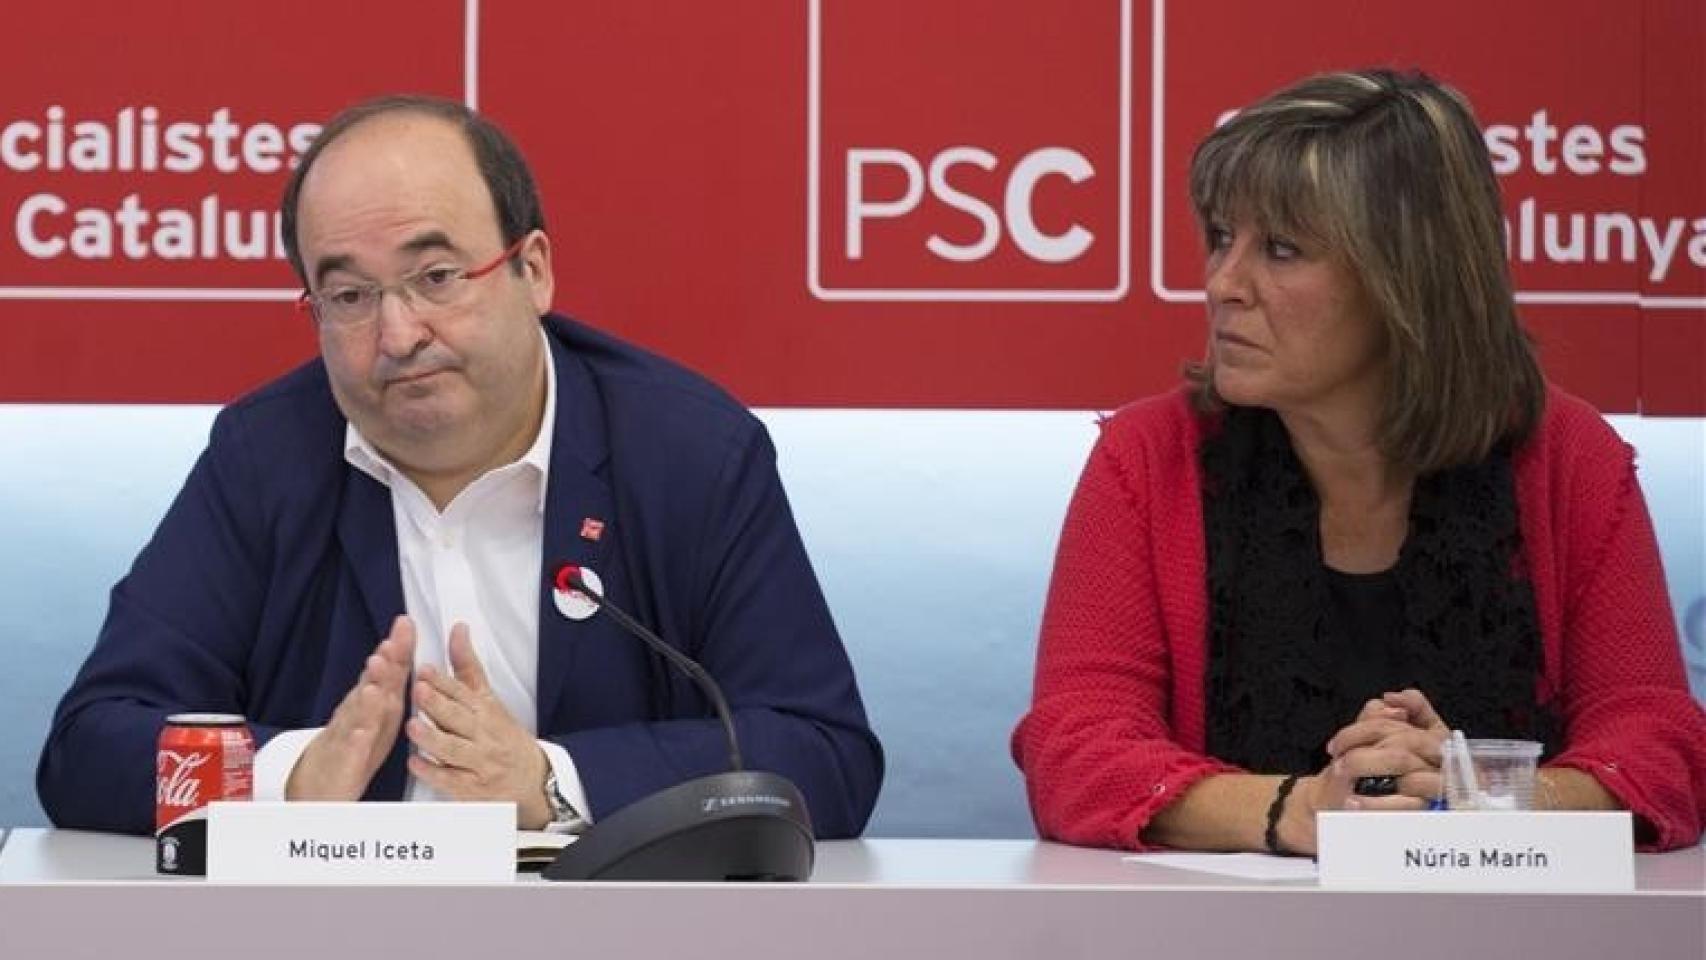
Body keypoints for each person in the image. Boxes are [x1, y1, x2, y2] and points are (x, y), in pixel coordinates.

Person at [37, 95, 883, 837]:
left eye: (436, 276)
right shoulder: (267, 458)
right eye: (350, 296)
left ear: (534, 270)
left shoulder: (689, 454)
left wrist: (549, 782)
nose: (399, 336)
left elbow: (824, 758)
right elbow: (89, 747)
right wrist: (290, 777)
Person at [1011, 69, 1706, 855]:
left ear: (1407, 279)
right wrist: (1298, 809)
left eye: (1279, 249)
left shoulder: (1571, 461)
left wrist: (1480, 793)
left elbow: (1660, 750)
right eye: (1219, 238)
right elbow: (1073, 749)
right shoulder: (1147, 460)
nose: (1221, 283)